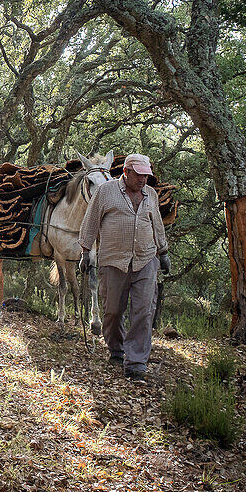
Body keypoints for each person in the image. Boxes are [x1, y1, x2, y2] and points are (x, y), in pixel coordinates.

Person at [77, 153, 170, 382]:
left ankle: (136, 363)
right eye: (139, 175)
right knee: (113, 311)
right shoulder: (105, 192)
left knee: (143, 310)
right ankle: (117, 350)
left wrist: (163, 252)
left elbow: (157, 224)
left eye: (146, 175)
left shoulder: (151, 195)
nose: (143, 180)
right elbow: (90, 222)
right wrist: (85, 252)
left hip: (145, 259)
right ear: (126, 172)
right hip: (113, 261)